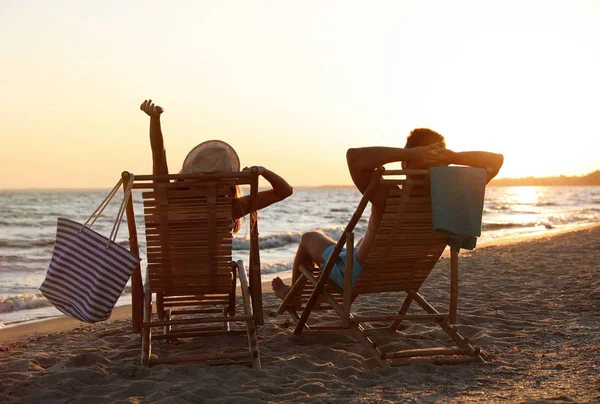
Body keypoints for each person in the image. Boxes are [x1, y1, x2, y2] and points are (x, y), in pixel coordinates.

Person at [272, 128, 503, 298]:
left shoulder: (389, 195)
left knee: (309, 238)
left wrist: (411, 155)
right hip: (408, 273)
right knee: (357, 243)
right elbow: (496, 161)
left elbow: (354, 157)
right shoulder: (453, 199)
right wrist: (453, 157)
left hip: (358, 276)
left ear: (406, 162)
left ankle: (292, 294)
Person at [140, 99, 293, 233]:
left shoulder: (168, 200)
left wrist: (155, 119)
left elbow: (158, 155)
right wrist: (263, 171)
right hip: (216, 268)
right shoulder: (230, 208)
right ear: (227, 180)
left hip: (168, 267)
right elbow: (285, 191)